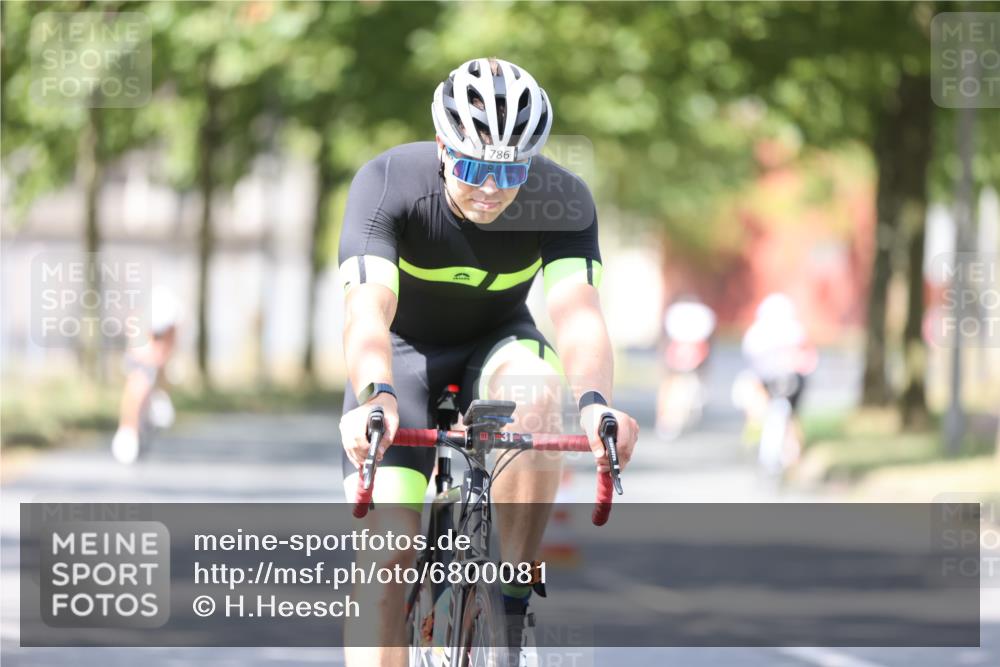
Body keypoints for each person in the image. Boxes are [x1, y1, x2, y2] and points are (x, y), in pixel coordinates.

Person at [337, 57, 639, 666]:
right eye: (474, 167)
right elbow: (368, 312)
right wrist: (375, 395)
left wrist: (598, 405)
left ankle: (512, 591)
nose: (492, 189)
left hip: (498, 344)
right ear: (445, 149)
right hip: (402, 362)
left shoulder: (561, 197)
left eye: (511, 171)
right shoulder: (389, 182)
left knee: (537, 390)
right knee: (383, 569)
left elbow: (578, 312)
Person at [739, 293, 817, 471]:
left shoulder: (757, 333)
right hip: (786, 382)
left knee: (773, 412)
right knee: (790, 417)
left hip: (776, 381)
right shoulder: (795, 331)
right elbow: (808, 359)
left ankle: (761, 439)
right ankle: (793, 455)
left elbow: (750, 361)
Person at [111, 286, 179, 464]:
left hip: (157, 360)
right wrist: (150, 359)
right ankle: (127, 430)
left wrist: (160, 362)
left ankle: (158, 401)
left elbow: (167, 350)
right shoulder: (139, 320)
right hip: (139, 357)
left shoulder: (171, 325)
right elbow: (137, 351)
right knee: (137, 384)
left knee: (159, 377)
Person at [656, 296, 716, 439]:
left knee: (676, 385)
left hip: (684, 355)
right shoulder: (698, 316)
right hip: (687, 355)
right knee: (675, 386)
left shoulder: (677, 315)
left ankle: (670, 418)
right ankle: (670, 418)